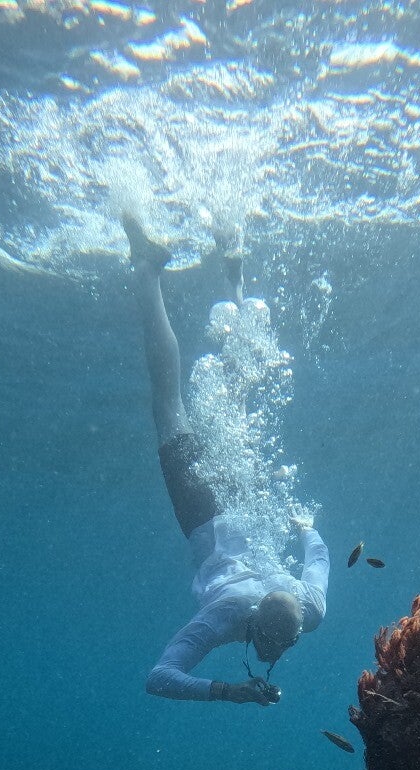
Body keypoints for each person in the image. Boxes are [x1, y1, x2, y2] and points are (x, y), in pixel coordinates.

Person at [124, 211, 329, 707]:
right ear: (254, 620)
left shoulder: (312, 607)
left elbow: (318, 559)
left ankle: (235, 278)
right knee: (168, 404)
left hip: (239, 500)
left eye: (278, 644)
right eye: (267, 641)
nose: (270, 650)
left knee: (233, 396)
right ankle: (149, 268)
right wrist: (229, 692)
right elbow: (159, 677)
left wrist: (305, 527)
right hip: (202, 514)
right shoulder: (226, 615)